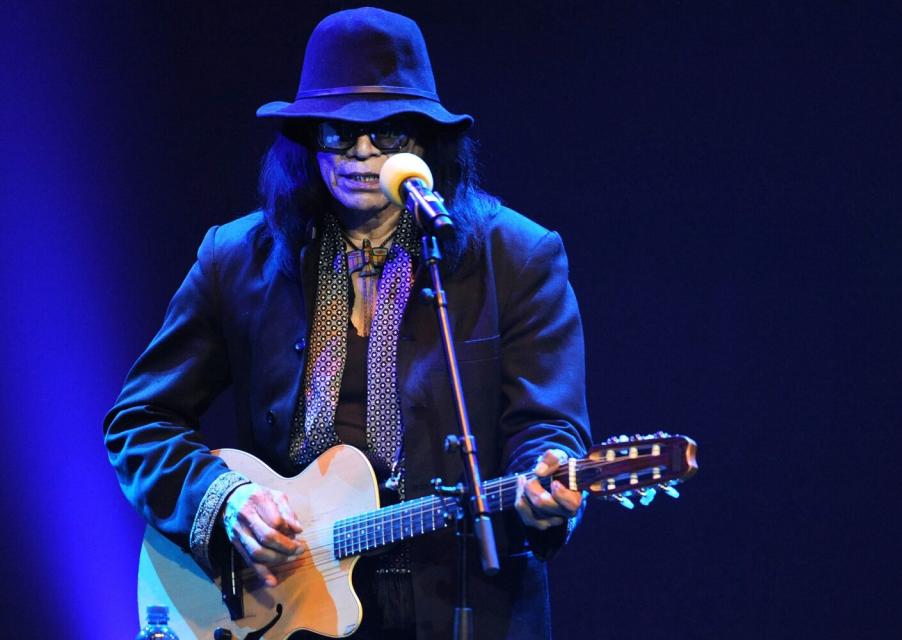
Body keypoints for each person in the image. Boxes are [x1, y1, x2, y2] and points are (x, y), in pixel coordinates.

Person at [105, 7, 590, 640]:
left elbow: (546, 427)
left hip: (463, 610)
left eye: (388, 132)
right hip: (284, 611)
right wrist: (225, 501)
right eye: (337, 131)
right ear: (307, 140)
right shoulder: (236, 258)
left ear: (425, 141)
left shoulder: (516, 257)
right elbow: (140, 422)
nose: (362, 152)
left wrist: (548, 484)